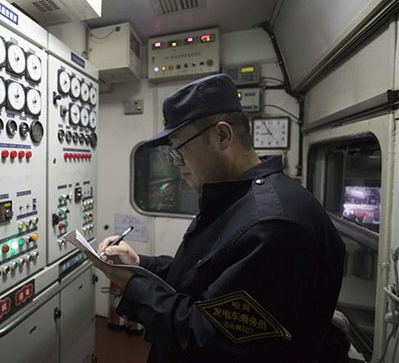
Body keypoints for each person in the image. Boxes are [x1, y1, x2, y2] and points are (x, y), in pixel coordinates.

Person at [89, 74, 345, 362]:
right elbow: (199, 278)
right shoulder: (236, 199)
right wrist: (140, 265)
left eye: (179, 146)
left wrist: (133, 285)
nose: (176, 161)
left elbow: (210, 336)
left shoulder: (273, 226)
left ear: (222, 136)